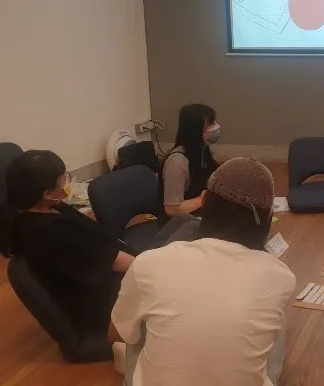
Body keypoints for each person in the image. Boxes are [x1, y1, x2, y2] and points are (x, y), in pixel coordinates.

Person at [110, 158, 296, 386]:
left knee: (137, 323)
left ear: (205, 201)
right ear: (268, 216)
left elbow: (116, 333)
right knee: (274, 317)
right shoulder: (280, 277)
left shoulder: (148, 263)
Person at [0, 151, 134, 336]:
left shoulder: (49, 207)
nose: (67, 184)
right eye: (64, 180)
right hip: (103, 306)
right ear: (47, 193)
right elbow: (115, 261)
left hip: (107, 274)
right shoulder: (50, 233)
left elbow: (98, 239)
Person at [160, 103, 220, 220]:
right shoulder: (177, 162)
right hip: (180, 224)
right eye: (211, 124)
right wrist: (205, 199)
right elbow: (172, 209)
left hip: (200, 214)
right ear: (196, 130)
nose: (217, 127)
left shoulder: (203, 150)